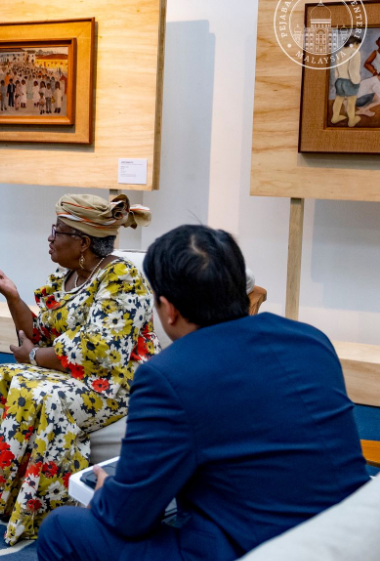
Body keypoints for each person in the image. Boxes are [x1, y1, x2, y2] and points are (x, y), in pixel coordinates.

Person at [37, 225, 370, 561]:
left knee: (62, 528)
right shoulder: (311, 340)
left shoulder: (167, 375)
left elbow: (127, 518)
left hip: (259, 549)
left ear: (168, 310)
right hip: (354, 533)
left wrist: (107, 494)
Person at [0, 194, 159, 545]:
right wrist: (12, 297)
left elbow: (100, 350)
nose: (50, 237)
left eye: (58, 231)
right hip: (74, 374)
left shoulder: (121, 277)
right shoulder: (67, 276)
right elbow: (39, 335)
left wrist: (33, 357)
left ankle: (36, 506)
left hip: (115, 383)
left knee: (37, 392)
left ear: (83, 242)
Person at [331, 35, 363, 127]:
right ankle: (352, 120)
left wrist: (338, 77)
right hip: (350, 81)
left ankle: (335, 117)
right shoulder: (355, 53)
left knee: (338, 99)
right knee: (351, 102)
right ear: (354, 43)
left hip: (340, 80)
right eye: (358, 44)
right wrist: (356, 81)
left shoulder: (340, 52)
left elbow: (336, 69)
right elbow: (353, 69)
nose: (358, 46)